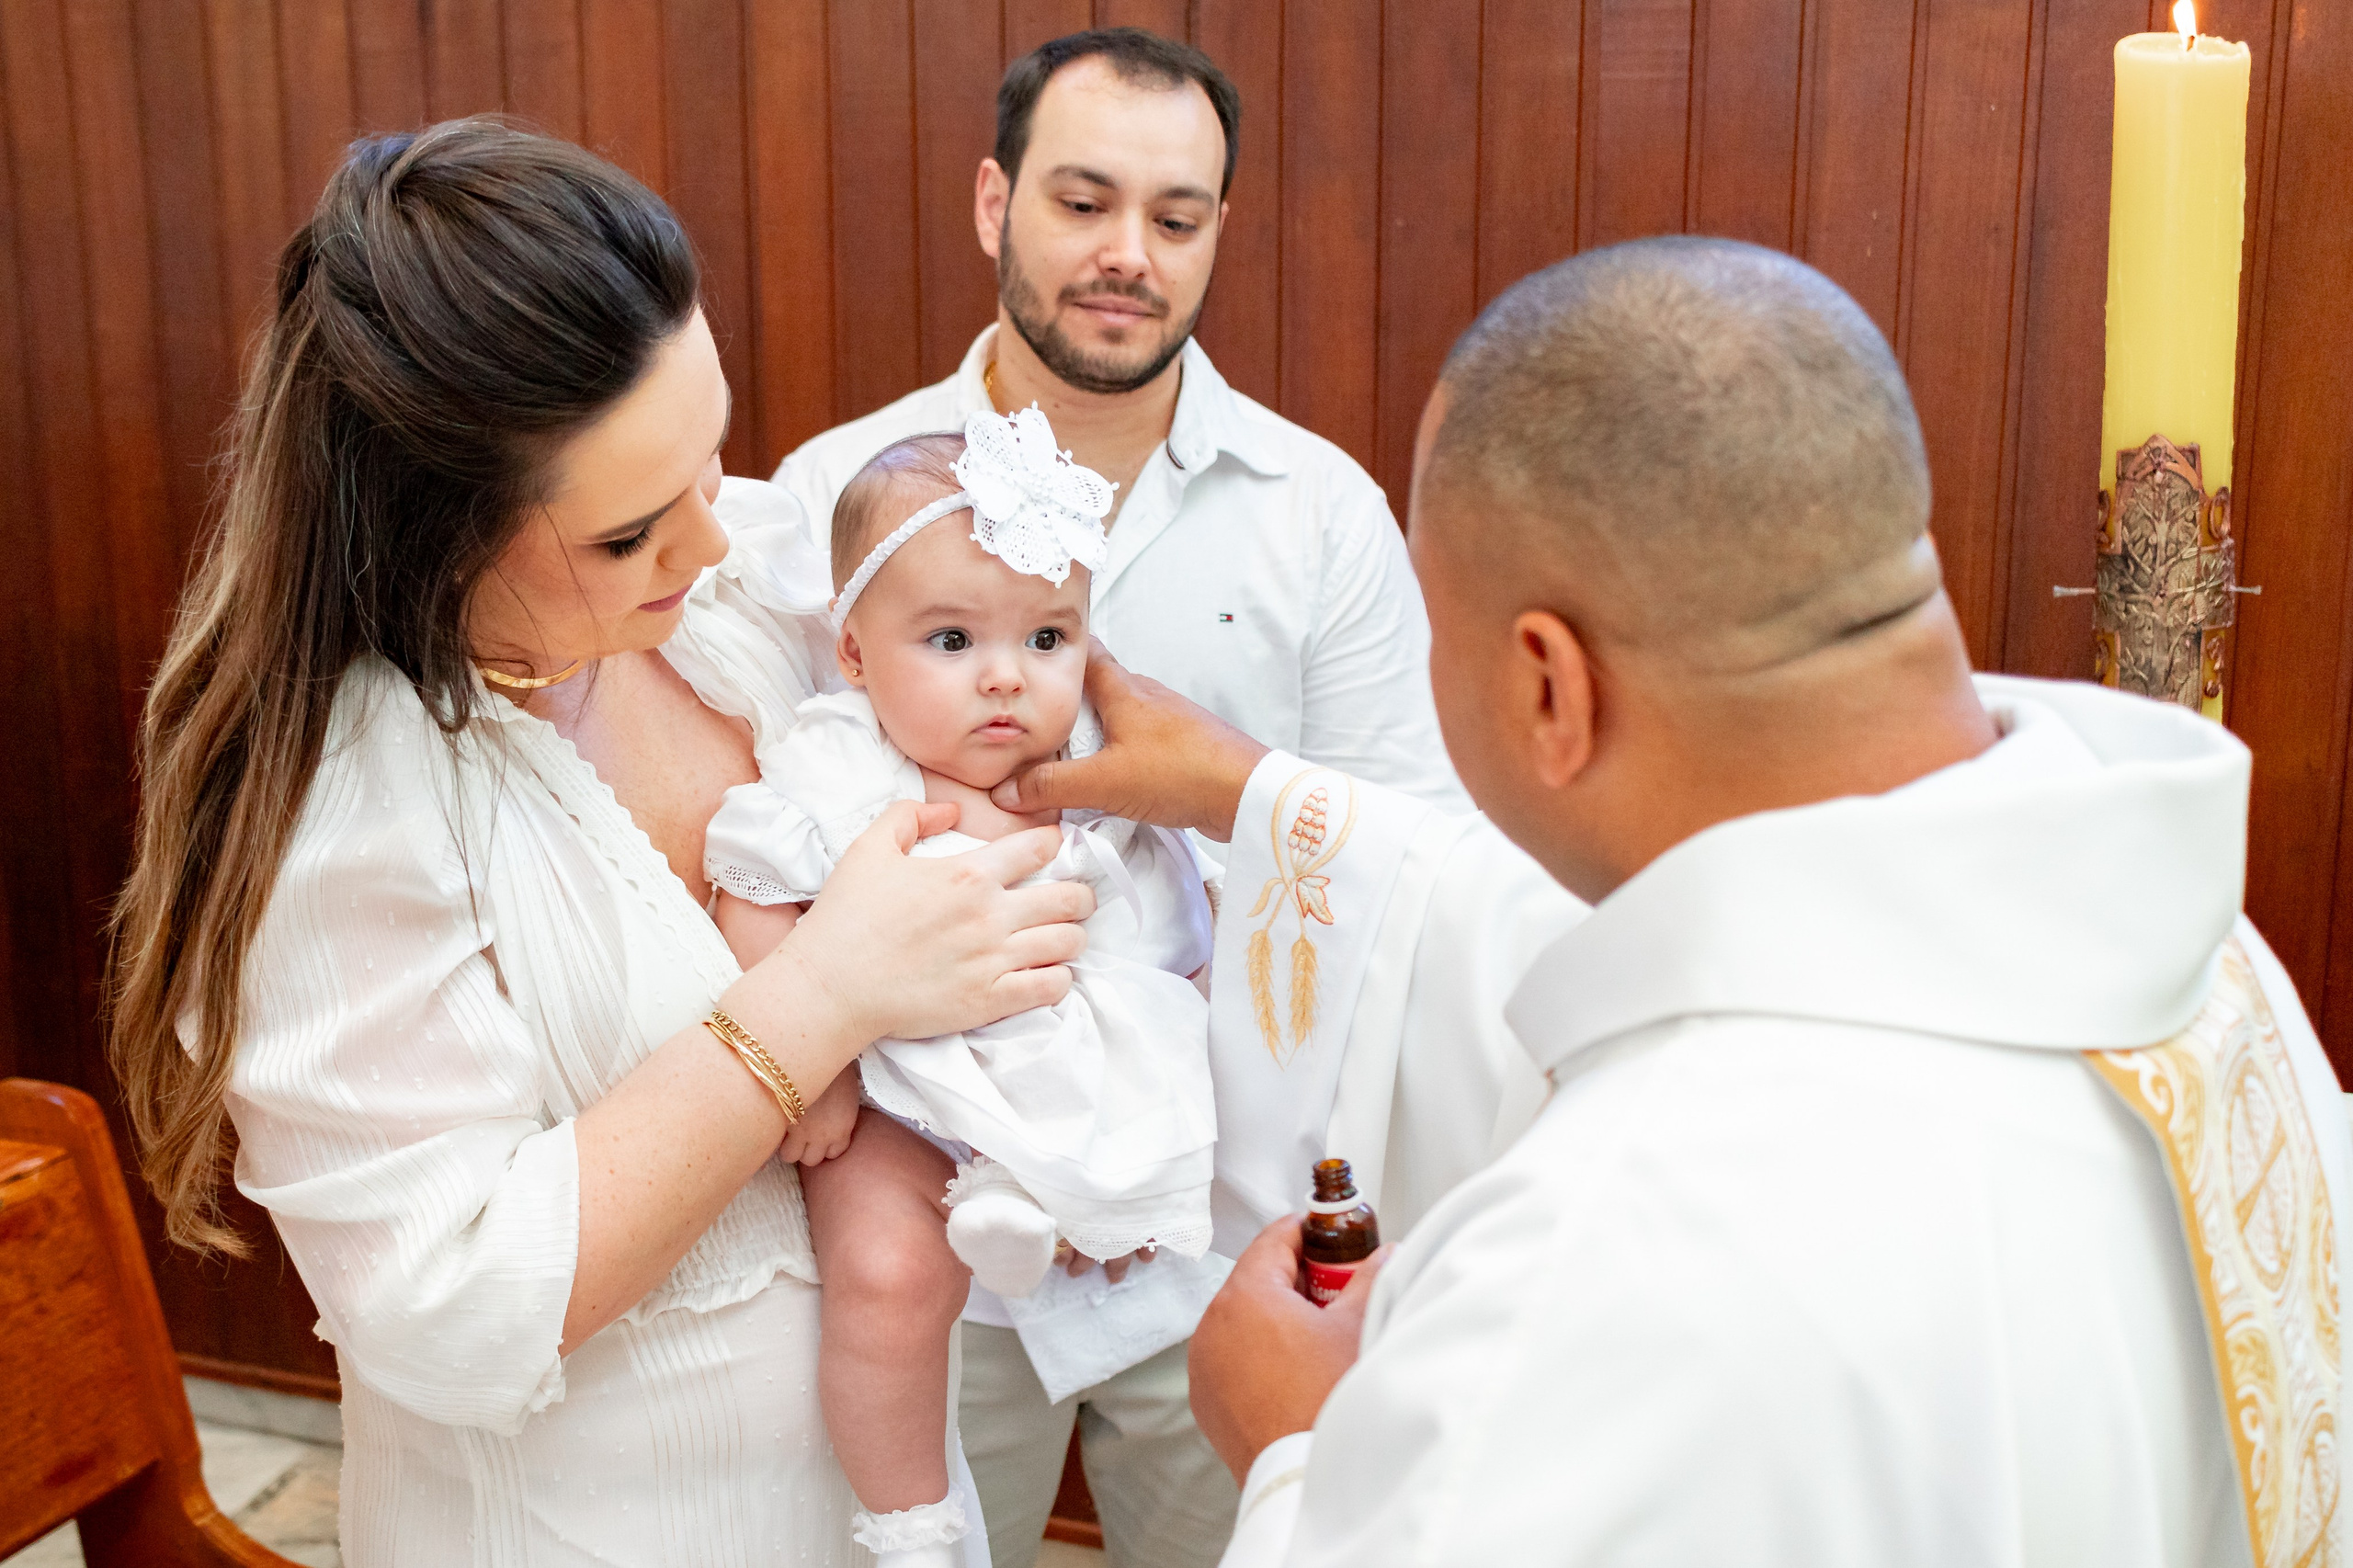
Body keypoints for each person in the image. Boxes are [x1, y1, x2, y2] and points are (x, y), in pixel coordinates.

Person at [994, 237, 2353, 1566]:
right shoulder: (2185, 954)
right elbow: (1564, 919)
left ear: (1547, 685)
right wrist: (1255, 793)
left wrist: (1298, 1453)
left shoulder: (1609, 1270)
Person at [104, 119, 1092, 1567]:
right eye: (631, 532)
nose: (713, 539)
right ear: (431, 530)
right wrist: (821, 993)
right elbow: (446, 1310)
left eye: (712, 454)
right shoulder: (345, 803)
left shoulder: (740, 592)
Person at [772, 29, 1473, 1567]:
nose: (1127, 256)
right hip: (929, 1199)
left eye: (1177, 216)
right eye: (1083, 201)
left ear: (1219, 230)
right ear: (991, 202)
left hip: (1212, 1205)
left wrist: (1223, 801)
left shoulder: (1319, 514)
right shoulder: (835, 491)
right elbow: (767, 812)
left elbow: (1424, 854)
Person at [700, 414, 1221, 1568]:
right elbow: (749, 884)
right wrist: (810, 1070)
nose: (1006, 676)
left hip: (1062, 1062)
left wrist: (1115, 1157)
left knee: (1154, 1134)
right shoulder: (842, 764)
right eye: (949, 638)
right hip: (903, 1093)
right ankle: (911, 1523)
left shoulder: (1091, 764)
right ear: (852, 652)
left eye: (1047, 634)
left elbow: (1175, 937)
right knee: (886, 1276)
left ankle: (1056, 1199)